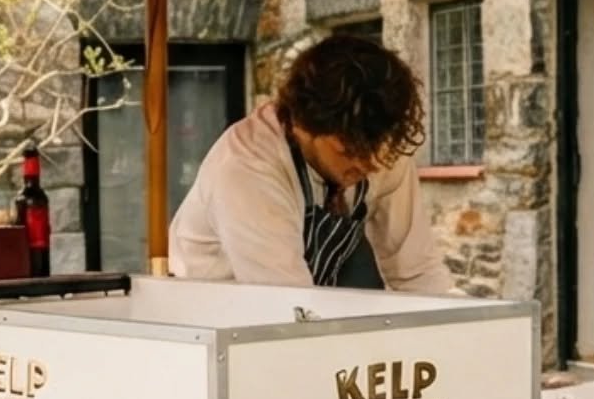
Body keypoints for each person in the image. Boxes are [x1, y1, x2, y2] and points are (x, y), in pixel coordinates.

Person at [169, 32, 449, 292]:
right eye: (347, 151)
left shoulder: (380, 147)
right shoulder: (248, 169)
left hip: (297, 302)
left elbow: (418, 271)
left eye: (379, 149)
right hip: (211, 309)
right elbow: (286, 302)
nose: (370, 165)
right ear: (303, 126)